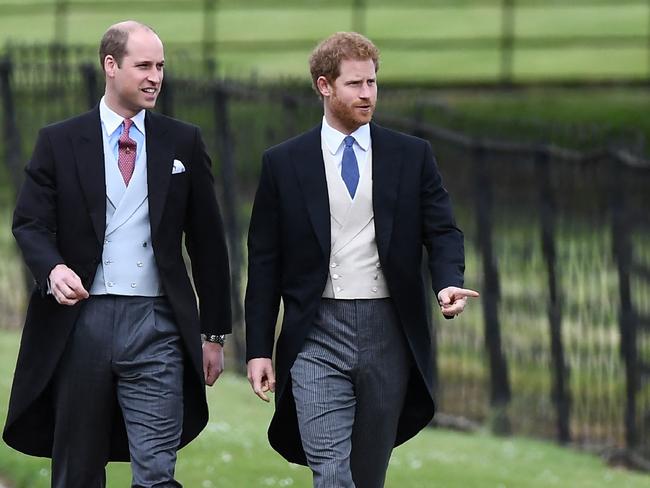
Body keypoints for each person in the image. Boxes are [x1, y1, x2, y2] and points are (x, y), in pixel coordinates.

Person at [2, 21, 232, 488]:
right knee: (78, 473)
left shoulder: (182, 140)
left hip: (158, 325)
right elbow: (29, 222)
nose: (155, 77)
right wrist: (52, 268)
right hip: (80, 323)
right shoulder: (59, 141)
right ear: (111, 66)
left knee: (157, 472)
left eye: (161, 66)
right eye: (143, 65)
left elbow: (207, 242)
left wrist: (214, 333)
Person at [245, 31, 479, 488]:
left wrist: (447, 282)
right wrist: (257, 348)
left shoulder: (411, 156)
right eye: (355, 84)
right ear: (324, 86)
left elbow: (443, 230)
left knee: (366, 475)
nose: (367, 94)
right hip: (316, 332)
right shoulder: (284, 163)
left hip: (387, 331)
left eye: (372, 82)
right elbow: (265, 262)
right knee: (330, 474)